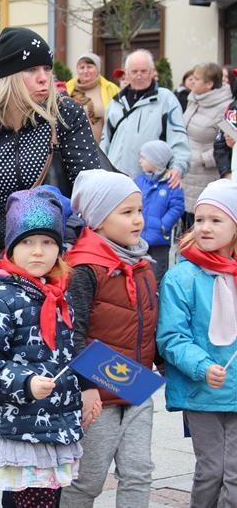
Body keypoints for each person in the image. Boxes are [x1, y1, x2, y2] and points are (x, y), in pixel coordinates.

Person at [0, 188, 83, 506]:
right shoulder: (1, 295)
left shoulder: (58, 294)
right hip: (20, 425)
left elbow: (66, 354)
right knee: (27, 501)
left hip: (57, 423)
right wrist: (26, 383)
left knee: (49, 499)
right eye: (28, 242)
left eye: (48, 242)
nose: (38, 252)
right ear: (12, 247)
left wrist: (82, 391)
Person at [0, 27, 99, 252]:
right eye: (31, 69)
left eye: (47, 68)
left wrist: (66, 240)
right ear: (8, 76)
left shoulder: (65, 114)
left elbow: (90, 189)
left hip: (51, 254)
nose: (44, 78)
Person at [60, 170, 158, 507]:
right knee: (87, 480)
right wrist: (87, 386)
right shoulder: (83, 268)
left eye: (139, 210)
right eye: (126, 212)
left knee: (139, 472)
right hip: (98, 392)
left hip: (137, 385)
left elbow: (149, 323)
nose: (138, 220)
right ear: (99, 219)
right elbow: (73, 332)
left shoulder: (142, 265)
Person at [156, 178, 237, 508]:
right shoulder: (181, 277)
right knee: (211, 470)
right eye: (200, 219)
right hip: (202, 390)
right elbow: (172, 337)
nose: (204, 227)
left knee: (235, 475)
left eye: (216, 220)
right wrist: (203, 367)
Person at [100, 49, 191, 184]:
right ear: (127, 74)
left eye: (143, 71)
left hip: (151, 182)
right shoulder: (115, 103)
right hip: (115, 181)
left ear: (152, 72)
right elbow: (105, 141)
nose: (139, 76)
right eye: (134, 71)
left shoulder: (166, 100)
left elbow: (178, 138)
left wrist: (178, 167)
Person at [183, 62, 233, 216]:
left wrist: (204, 158)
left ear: (209, 84)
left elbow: (229, 142)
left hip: (207, 174)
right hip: (188, 173)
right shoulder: (194, 99)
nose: (192, 81)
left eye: (197, 79)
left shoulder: (223, 107)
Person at [134, 140, 185, 284]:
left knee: (157, 274)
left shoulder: (171, 184)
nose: (140, 161)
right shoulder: (139, 181)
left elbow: (177, 207)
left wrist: (164, 225)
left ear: (156, 161)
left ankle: (157, 294)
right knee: (138, 272)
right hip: (139, 238)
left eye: (144, 158)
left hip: (159, 240)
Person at [65, 53, 121, 142]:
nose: (85, 71)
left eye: (89, 67)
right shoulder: (67, 89)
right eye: (82, 67)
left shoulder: (111, 89)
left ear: (98, 69)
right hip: (72, 146)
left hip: (101, 146)